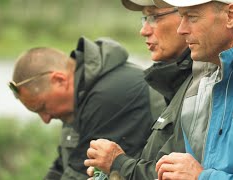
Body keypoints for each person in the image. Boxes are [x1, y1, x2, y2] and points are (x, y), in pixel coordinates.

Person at [84, 0, 217, 179]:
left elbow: (176, 175)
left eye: (154, 17)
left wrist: (118, 164)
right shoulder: (180, 80)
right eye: (145, 18)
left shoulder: (208, 83)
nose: (144, 30)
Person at [8, 36, 166, 180]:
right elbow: (62, 167)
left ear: (59, 80)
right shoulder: (79, 95)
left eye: (43, 108)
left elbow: (80, 174)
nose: (46, 119)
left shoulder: (108, 95)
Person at [155, 0, 233, 179]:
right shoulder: (208, 72)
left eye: (191, 17)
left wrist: (203, 177)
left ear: (231, 15)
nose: (181, 29)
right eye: (181, 16)